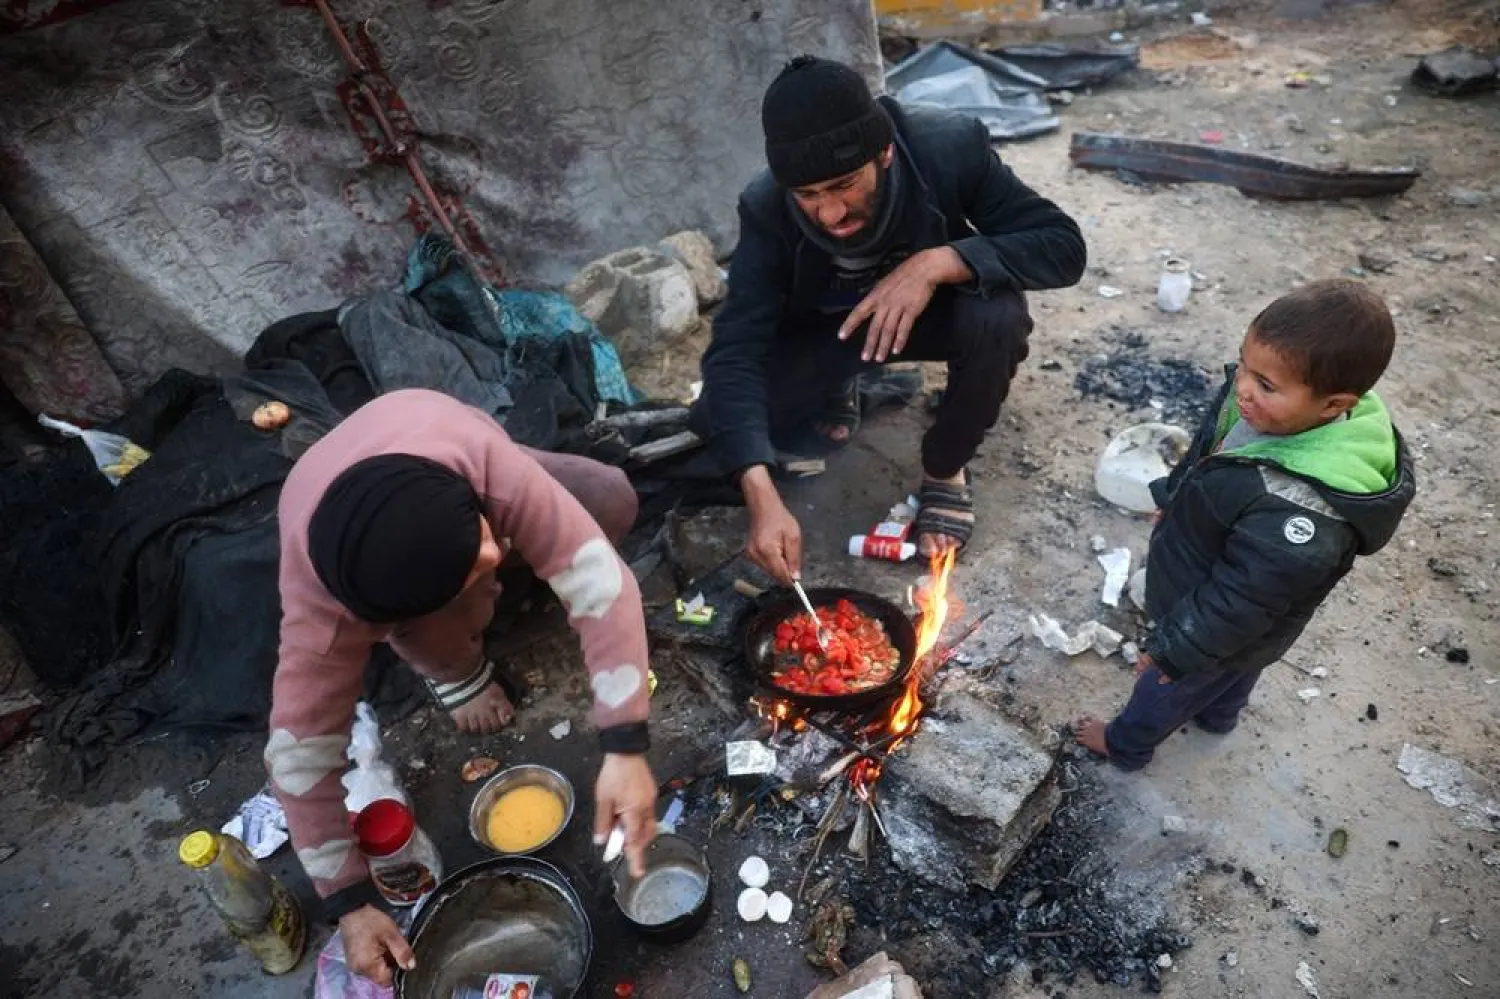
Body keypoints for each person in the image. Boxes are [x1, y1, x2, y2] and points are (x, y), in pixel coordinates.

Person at [265, 389, 659, 985]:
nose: (497, 554)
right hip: (345, 511)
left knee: (610, 497)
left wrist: (625, 743)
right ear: (376, 623)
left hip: (437, 428)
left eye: (490, 540)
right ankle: (451, 668)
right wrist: (347, 901)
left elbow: (604, 584)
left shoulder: (482, 469)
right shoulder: (324, 620)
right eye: (479, 565)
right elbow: (298, 763)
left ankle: (485, 566)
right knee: (446, 629)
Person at [693, 55, 1086, 581]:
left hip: (931, 317)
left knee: (998, 315)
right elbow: (737, 347)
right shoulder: (765, 205)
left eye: (843, 185)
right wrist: (758, 488)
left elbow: (1063, 247)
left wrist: (942, 261)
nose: (829, 214)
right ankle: (840, 385)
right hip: (829, 329)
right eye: (808, 195)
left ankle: (945, 470)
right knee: (717, 424)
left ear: (884, 153)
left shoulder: (948, 147)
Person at [1076, 279, 1416, 769]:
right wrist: (1176, 497)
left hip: (1213, 627)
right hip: (1244, 626)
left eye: (1266, 385)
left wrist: (1175, 653)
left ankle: (1126, 745)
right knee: (1239, 669)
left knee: (1166, 687)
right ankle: (1218, 717)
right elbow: (1211, 451)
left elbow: (1240, 603)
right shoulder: (1269, 410)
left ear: (1334, 405)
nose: (1243, 388)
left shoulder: (1301, 510)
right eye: (1244, 365)